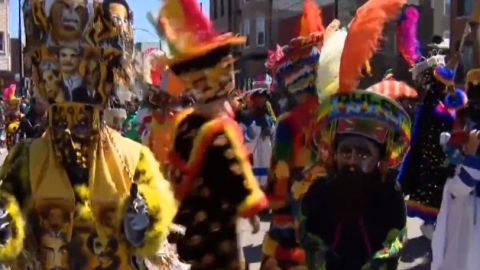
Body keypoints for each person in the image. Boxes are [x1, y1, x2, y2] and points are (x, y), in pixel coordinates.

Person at [0, 1, 178, 269]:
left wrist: (146, 223)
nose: (71, 131)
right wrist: (6, 224)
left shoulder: (131, 157)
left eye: (81, 124)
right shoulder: (26, 159)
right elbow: (8, 218)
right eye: (61, 123)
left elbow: (157, 225)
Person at [156, 1, 268, 269]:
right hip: (215, 232)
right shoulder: (218, 130)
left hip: (184, 223)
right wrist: (253, 211)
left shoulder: (184, 125)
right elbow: (235, 175)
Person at [301, 90, 410, 270]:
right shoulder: (320, 189)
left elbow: (397, 236)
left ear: (378, 160)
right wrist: (320, 255)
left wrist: (381, 259)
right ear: (334, 155)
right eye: (346, 152)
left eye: (363, 153)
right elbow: (308, 230)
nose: (352, 160)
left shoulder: (389, 192)